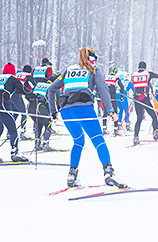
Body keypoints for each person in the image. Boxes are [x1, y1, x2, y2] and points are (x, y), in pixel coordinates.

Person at [48, 47, 127, 188]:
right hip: (83, 109)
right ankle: (108, 172)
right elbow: (103, 90)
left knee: (78, 141)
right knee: (98, 140)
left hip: (66, 111)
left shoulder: (69, 70)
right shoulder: (93, 69)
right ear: (93, 58)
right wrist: (110, 110)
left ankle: (72, 175)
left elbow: (51, 89)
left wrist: (53, 112)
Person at [0, 63, 29, 163]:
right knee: (12, 130)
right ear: (13, 71)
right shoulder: (12, 78)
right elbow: (23, 90)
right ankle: (15, 153)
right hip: (1, 105)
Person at [126, 61, 158, 144]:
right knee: (154, 116)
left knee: (139, 118)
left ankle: (136, 137)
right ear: (145, 67)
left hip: (136, 98)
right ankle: (155, 133)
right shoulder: (148, 73)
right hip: (144, 98)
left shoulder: (133, 74)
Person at [29, 73, 58, 151]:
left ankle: (37, 144)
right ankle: (45, 144)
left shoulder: (39, 84)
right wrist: (54, 112)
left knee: (38, 124)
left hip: (31, 106)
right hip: (40, 106)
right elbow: (52, 101)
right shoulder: (53, 87)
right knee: (48, 124)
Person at [11, 65, 36, 138]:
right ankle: (23, 132)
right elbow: (35, 85)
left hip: (10, 95)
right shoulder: (28, 76)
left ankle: (9, 132)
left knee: (15, 114)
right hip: (17, 95)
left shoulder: (17, 74)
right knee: (24, 114)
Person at [103, 67, 126, 135]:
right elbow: (122, 87)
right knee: (115, 112)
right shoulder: (116, 78)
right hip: (113, 96)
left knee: (105, 112)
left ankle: (104, 128)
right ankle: (116, 129)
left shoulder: (105, 77)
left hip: (106, 96)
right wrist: (121, 96)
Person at [115, 65, 131, 131]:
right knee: (126, 109)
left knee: (120, 109)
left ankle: (119, 122)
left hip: (117, 92)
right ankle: (127, 123)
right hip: (123, 92)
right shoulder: (126, 74)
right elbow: (129, 83)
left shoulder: (116, 75)